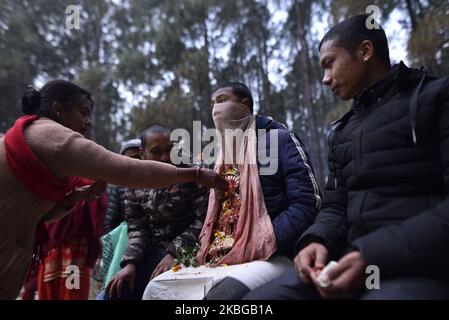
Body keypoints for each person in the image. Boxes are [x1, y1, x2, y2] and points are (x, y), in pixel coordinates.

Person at [244, 14, 449, 300]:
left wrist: (370, 254)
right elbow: (335, 207)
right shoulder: (343, 132)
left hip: (420, 266)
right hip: (348, 263)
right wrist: (316, 240)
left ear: (365, 51)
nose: (325, 79)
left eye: (330, 63)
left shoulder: (437, 98)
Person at [0, 80, 228, 299]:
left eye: (169, 149)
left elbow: (38, 214)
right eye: (83, 112)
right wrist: (130, 263)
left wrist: (72, 199)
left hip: (184, 252)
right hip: (148, 255)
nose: (89, 121)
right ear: (57, 109)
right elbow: (132, 179)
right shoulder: (52, 137)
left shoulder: (30, 136)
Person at [143, 82, 320, 300]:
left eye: (222, 100)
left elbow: (307, 203)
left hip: (271, 255)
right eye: (212, 103)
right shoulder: (218, 156)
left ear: (244, 104)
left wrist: (261, 241)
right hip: (221, 257)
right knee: (157, 289)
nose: (215, 108)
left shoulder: (279, 140)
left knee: (222, 296)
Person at [103, 125, 210, 300]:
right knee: (114, 292)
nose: (165, 157)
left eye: (169, 149)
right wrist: (130, 263)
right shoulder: (135, 182)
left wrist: (173, 253)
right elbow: (138, 228)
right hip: (154, 251)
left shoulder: (194, 173)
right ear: (142, 153)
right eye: (156, 152)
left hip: (192, 250)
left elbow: (203, 220)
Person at [104, 138, 141, 234]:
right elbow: (110, 223)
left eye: (138, 158)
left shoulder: (158, 184)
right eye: (128, 160)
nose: (134, 163)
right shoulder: (119, 188)